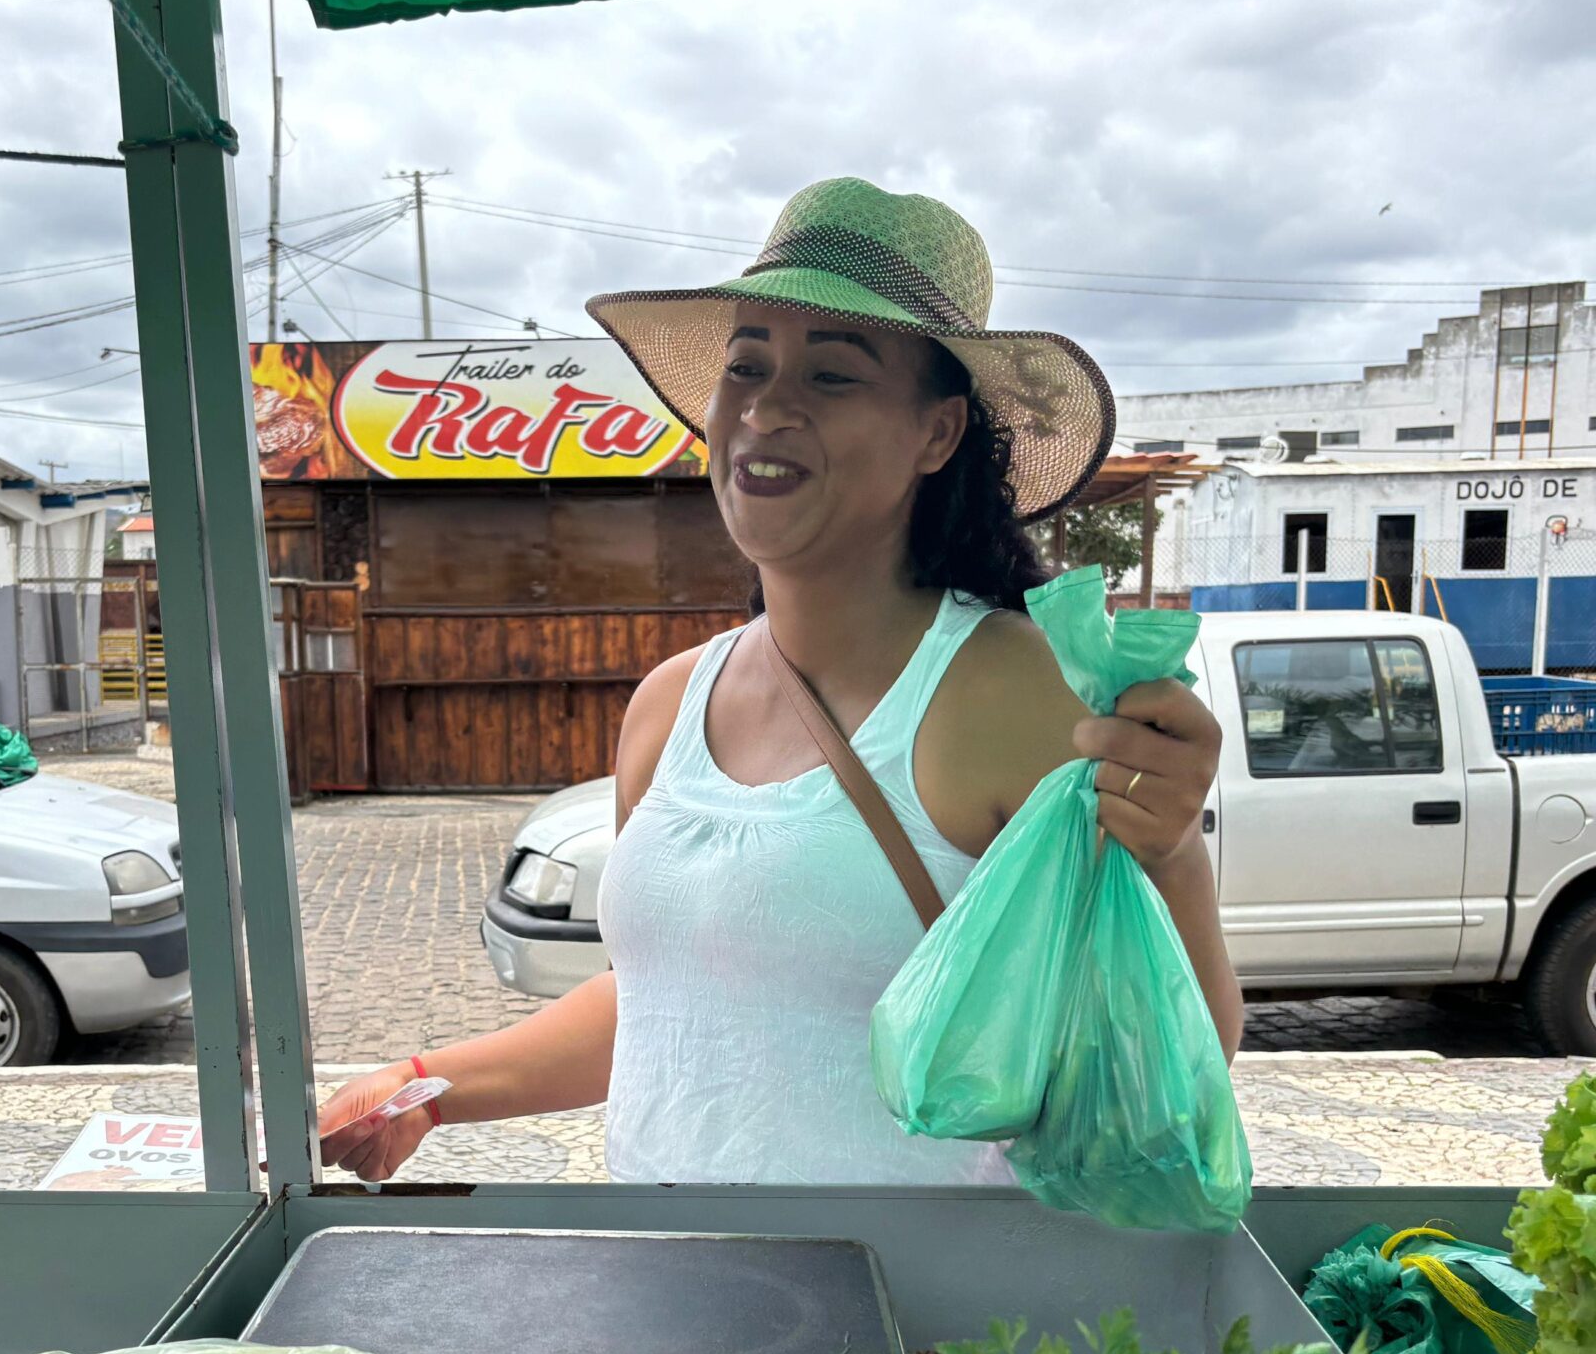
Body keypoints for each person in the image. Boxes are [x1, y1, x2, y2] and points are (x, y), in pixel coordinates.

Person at [321, 176, 1237, 1186]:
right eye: (745, 367)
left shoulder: (1009, 689)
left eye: (833, 377)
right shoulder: (669, 701)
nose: (766, 407)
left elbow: (1168, 1056)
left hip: (919, 1332)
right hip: (673, 1310)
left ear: (935, 434)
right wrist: (421, 1086)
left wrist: (1172, 855)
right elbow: (666, 1002)